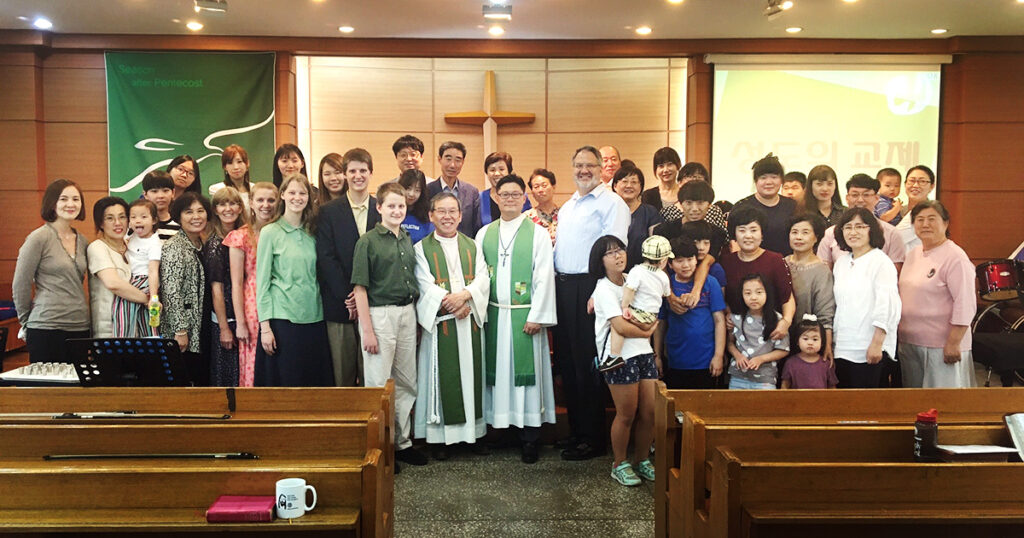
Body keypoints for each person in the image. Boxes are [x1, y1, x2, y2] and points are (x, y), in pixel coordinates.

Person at [552, 145, 630, 461]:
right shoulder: (570, 204)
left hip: (590, 289)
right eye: (579, 165)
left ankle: (594, 438)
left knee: (589, 365)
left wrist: (600, 291)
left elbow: (613, 254)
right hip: (565, 288)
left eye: (590, 165)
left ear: (601, 169)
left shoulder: (612, 203)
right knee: (569, 363)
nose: (584, 170)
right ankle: (576, 432)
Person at [476, 175, 558, 464]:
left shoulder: (537, 234)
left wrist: (538, 315)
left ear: (524, 198)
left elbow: (545, 276)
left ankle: (529, 439)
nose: (510, 199)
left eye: (515, 194)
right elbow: (478, 277)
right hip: (495, 314)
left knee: (526, 378)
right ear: (495, 197)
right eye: (504, 194)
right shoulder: (484, 233)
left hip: (525, 317)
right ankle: (503, 431)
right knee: (498, 376)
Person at [352, 182, 426, 467]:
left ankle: (402, 442)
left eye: (401, 206)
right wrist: (367, 330)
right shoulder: (368, 241)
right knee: (379, 384)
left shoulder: (407, 238)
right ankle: (381, 448)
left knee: (407, 381)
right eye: (391, 205)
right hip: (379, 315)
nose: (397, 210)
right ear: (379, 208)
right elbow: (360, 289)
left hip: (407, 313)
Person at [414, 193, 490, 458]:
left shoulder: (473, 245)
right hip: (443, 324)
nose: (447, 217)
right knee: (443, 377)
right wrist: (452, 303)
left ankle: (472, 435)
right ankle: (441, 439)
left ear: (460, 215)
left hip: (469, 321)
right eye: (441, 212)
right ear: (431, 215)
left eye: (452, 212)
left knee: (471, 376)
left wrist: (466, 297)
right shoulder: (421, 248)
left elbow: (483, 278)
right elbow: (423, 284)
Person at [590, 235, 659, 486]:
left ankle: (642, 460)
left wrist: (647, 329)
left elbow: (653, 308)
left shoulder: (634, 279)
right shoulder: (603, 288)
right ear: (600, 261)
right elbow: (620, 325)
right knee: (626, 414)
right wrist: (648, 330)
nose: (618, 255)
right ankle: (619, 463)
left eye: (620, 250)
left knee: (650, 412)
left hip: (644, 352)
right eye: (610, 253)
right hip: (619, 357)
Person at [255, 175, 333, 387]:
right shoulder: (270, 232)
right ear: (282, 195)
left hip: (314, 317)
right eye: (292, 192)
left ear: (309, 197)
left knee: (314, 384)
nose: (297, 197)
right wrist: (265, 328)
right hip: (283, 320)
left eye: (302, 193)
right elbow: (261, 284)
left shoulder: (313, 232)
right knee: (288, 383)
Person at [316, 148, 382, 388]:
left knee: (372, 374)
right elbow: (326, 257)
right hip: (340, 305)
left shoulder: (381, 209)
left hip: (376, 304)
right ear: (345, 174)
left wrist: (366, 294)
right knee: (341, 375)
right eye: (352, 171)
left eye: (362, 170)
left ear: (371, 173)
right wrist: (351, 295)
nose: (358, 175)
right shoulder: (327, 212)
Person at [897, 200, 976, 388]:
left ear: (946, 223)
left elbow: (966, 303)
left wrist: (954, 342)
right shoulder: (913, 254)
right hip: (910, 342)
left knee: (942, 406)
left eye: (932, 219)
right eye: (920, 219)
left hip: (942, 346)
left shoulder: (955, 257)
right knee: (916, 404)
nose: (925, 224)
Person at [13, 179, 90, 363]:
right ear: (52, 203)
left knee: (77, 389)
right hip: (45, 327)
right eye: (63, 199)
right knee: (46, 390)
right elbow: (21, 284)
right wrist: (25, 322)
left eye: (76, 199)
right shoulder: (38, 238)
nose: (70, 204)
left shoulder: (84, 241)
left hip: (80, 327)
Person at [832, 207, 901, 388]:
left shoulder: (881, 262)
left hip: (870, 347)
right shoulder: (841, 263)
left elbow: (887, 305)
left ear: (872, 229)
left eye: (860, 227)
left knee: (867, 409)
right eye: (848, 227)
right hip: (844, 346)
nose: (853, 232)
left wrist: (877, 343)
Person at [223, 182, 279, 387]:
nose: (266, 205)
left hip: (282, 299)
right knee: (255, 357)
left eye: (271, 200)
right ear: (252, 204)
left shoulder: (282, 231)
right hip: (252, 302)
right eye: (261, 200)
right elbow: (236, 283)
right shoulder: (240, 236)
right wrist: (240, 322)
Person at [653, 239, 726, 389]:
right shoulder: (666, 287)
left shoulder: (710, 283)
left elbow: (720, 321)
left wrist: (718, 356)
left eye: (690, 259)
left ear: (696, 261)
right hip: (675, 359)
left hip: (707, 360)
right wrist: (658, 356)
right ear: (670, 264)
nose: (686, 265)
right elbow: (660, 324)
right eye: (679, 261)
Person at [718, 207, 796, 341]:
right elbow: (723, 297)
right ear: (734, 234)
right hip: (737, 334)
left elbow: (787, 297)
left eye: (753, 230)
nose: (748, 235)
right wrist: (728, 313)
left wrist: (786, 321)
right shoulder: (726, 261)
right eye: (742, 230)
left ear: (762, 234)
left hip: (769, 332)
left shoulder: (775, 260)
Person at [160, 192, 211, 385]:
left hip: (201, 323)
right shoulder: (174, 246)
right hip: (184, 330)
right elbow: (171, 291)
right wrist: (180, 331)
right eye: (189, 212)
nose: (196, 216)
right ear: (179, 216)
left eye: (200, 211)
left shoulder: (201, 242)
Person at [602, 235, 672, 372]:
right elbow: (666, 294)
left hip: (638, 313)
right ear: (663, 261)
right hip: (652, 316)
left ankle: (614, 356)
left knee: (617, 326)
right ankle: (649, 350)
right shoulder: (664, 277)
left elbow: (629, 291)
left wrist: (624, 306)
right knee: (645, 331)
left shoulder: (636, 271)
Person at [653, 181, 728, 309]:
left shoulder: (717, 233)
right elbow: (661, 266)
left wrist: (695, 293)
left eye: (700, 203)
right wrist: (670, 296)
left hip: (705, 292)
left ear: (709, 205)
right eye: (689, 203)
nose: (694, 208)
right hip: (668, 289)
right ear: (681, 204)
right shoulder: (664, 231)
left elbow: (706, 263)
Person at [204, 187, 247, 386]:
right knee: (227, 378)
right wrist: (224, 329)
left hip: (246, 315)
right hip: (227, 319)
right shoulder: (215, 244)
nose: (227, 208)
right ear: (215, 210)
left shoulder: (246, 236)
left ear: (240, 207)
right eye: (222, 204)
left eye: (232, 203)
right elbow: (216, 290)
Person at [817, 174, 906, 271]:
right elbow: (824, 273)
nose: (860, 200)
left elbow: (894, 273)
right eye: (855, 195)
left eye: (866, 195)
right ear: (847, 198)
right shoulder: (831, 233)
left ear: (877, 199)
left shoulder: (892, 233)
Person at [88, 197, 149, 338]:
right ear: (101, 223)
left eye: (122, 217)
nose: (117, 223)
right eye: (110, 218)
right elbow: (113, 284)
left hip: (136, 327)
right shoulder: (97, 248)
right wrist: (148, 299)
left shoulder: (133, 246)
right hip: (109, 330)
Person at [785, 213, 835, 363]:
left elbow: (825, 313)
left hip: (808, 344)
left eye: (805, 233)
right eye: (794, 232)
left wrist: (827, 346)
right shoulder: (781, 263)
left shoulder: (821, 270)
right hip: (779, 340)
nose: (798, 237)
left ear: (816, 237)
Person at [726, 274, 790, 390]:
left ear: (767, 293)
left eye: (759, 292)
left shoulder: (777, 320)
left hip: (765, 379)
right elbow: (729, 343)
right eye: (748, 293)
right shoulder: (735, 318)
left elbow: (783, 350)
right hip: (738, 377)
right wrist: (738, 356)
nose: (753, 297)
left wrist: (761, 359)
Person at [732, 153, 797, 256]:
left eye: (774, 177)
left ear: (781, 181)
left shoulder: (793, 206)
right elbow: (734, 243)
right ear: (755, 181)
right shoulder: (742, 207)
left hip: (787, 265)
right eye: (763, 178)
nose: (769, 182)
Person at [115, 200, 161, 337]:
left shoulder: (154, 243)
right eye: (133, 217)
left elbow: (153, 271)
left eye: (143, 217)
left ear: (154, 220)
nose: (137, 221)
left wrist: (153, 298)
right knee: (139, 317)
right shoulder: (130, 236)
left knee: (124, 303)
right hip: (131, 277)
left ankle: (123, 339)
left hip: (144, 280)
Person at [425, 141, 481, 237]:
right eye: (448, 159)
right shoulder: (427, 190)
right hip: (434, 247)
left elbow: (476, 226)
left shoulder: (472, 192)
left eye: (458, 160)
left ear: (463, 162)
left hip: (463, 247)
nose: (452, 165)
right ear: (439, 159)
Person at [613, 166, 663, 269]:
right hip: (613, 272)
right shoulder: (609, 212)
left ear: (641, 187)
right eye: (624, 181)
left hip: (643, 272)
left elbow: (656, 246)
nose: (629, 185)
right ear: (615, 186)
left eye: (634, 182)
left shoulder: (650, 212)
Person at [781, 316, 838, 389]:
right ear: (797, 341)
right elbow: (785, 385)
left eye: (815, 339)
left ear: (822, 342)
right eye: (805, 339)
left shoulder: (826, 364)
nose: (810, 343)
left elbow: (832, 387)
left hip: (821, 400)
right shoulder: (790, 363)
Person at [480, 152, 531, 227]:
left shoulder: (520, 196)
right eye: (492, 170)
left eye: (501, 169)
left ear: (509, 172)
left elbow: (527, 221)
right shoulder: (479, 198)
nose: (497, 173)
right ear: (486, 173)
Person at [894, 165, 936, 254]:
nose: (916, 185)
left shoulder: (933, 214)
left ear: (932, 186)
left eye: (922, 181)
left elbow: (893, 241)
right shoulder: (896, 211)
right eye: (912, 181)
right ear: (905, 184)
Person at [641, 147, 682, 220]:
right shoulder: (648, 195)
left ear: (678, 166)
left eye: (670, 164)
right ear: (656, 170)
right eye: (661, 166)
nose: (665, 170)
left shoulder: (685, 192)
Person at [209, 144, 251, 210]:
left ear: (247, 163)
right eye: (230, 163)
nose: (236, 167)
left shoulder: (254, 189)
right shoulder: (217, 189)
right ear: (225, 167)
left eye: (239, 162)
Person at [523, 168, 559, 245]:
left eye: (544, 185)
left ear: (554, 187)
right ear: (532, 192)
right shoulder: (527, 217)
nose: (540, 190)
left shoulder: (564, 214)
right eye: (536, 187)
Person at [142, 171, 179, 243]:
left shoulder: (180, 227)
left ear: (173, 193)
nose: (160, 196)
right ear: (145, 194)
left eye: (165, 191)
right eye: (154, 191)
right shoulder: (137, 225)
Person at [398, 169, 434, 243]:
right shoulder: (392, 213)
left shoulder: (426, 215)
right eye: (408, 188)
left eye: (417, 190)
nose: (412, 194)